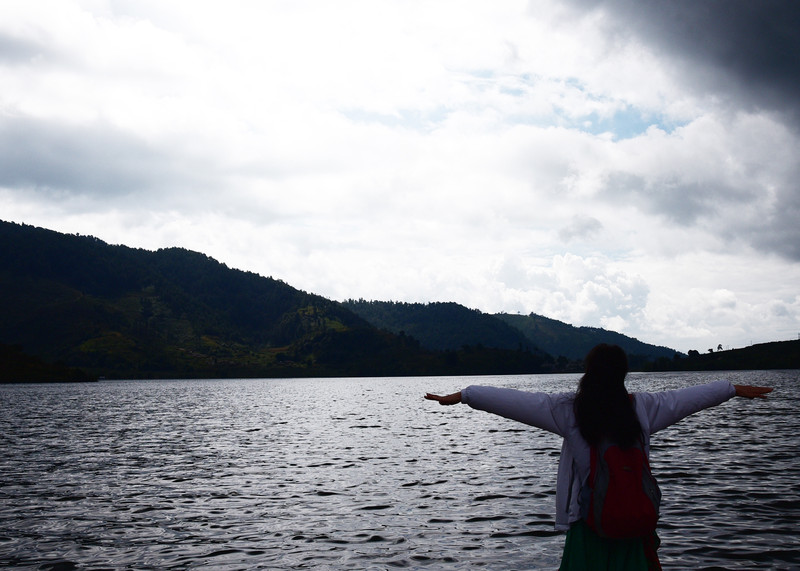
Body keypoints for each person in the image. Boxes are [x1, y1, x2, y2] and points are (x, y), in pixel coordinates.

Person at [424, 343, 773, 570]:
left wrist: (464, 395)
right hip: (634, 528)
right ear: (623, 375)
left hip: (590, 528)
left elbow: (514, 400)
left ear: (588, 373)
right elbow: (688, 398)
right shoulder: (644, 409)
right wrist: (731, 389)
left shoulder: (567, 410)